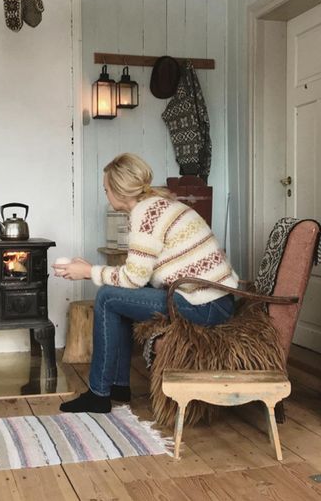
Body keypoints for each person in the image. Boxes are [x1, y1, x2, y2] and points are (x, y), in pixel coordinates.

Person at [52, 153, 238, 413]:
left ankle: (98, 394)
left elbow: (133, 278)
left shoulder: (146, 214)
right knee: (116, 295)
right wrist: (89, 268)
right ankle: (117, 386)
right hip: (214, 298)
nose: (105, 194)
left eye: (106, 189)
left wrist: (87, 272)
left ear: (119, 190)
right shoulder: (157, 205)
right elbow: (137, 273)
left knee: (107, 297)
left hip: (203, 304)